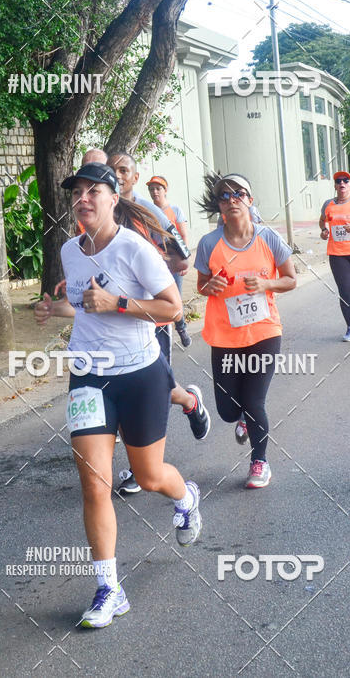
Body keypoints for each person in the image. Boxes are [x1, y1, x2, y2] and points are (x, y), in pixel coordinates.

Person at [34, 163, 202, 628]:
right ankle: (109, 587)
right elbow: (85, 306)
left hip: (141, 374)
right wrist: (57, 308)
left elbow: (172, 307)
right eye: (77, 192)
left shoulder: (136, 249)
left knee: (149, 477)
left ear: (112, 198)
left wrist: (119, 304)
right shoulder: (71, 250)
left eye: (93, 191)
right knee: (94, 482)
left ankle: (185, 496)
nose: (83, 198)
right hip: (89, 374)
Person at [108, 152, 210, 495]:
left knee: (153, 390)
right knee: (120, 390)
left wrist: (151, 260)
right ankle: (143, 461)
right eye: (113, 170)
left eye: (124, 170)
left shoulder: (146, 212)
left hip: (151, 314)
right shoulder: (96, 211)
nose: (117, 175)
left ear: (134, 177)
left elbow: (181, 260)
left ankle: (188, 402)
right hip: (112, 321)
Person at [195, 174, 296, 488]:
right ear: (219, 206)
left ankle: (259, 462)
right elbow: (201, 286)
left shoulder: (268, 238)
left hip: (264, 332)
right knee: (227, 410)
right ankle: (240, 419)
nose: (232, 199)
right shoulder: (209, 243)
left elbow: (291, 278)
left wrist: (267, 283)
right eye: (224, 196)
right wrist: (209, 286)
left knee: (254, 402)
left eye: (239, 193)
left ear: (250, 200)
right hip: (224, 334)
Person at [319, 171, 350, 342]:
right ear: (335, 185)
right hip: (337, 254)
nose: (342, 183)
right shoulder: (328, 204)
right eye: (338, 181)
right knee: (345, 292)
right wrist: (324, 230)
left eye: (346, 180)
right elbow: (322, 220)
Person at [146, 175, 192, 348]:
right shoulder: (146, 210)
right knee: (158, 298)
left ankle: (181, 329)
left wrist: (185, 259)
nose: (155, 192)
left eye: (158, 188)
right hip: (155, 262)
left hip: (173, 262)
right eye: (151, 189)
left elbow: (183, 235)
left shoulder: (175, 210)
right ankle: (160, 336)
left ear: (166, 190)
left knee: (175, 298)